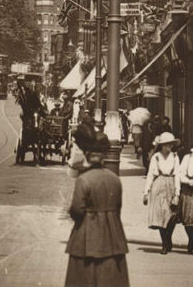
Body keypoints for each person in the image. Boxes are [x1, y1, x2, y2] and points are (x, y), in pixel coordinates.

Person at [65, 123, 129, 286]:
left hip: (86, 238)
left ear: (87, 155)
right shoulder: (114, 179)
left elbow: (76, 211)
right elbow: (118, 209)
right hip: (112, 238)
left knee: (84, 279)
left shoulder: (84, 180)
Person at [143, 131, 180, 254]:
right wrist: (146, 191)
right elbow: (150, 175)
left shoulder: (175, 157)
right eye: (167, 144)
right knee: (160, 215)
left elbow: (178, 175)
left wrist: (177, 193)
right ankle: (164, 243)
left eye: (171, 144)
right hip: (158, 185)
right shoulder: (156, 157)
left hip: (171, 184)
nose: (170, 147)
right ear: (162, 145)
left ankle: (169, 237)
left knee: (171, 216)